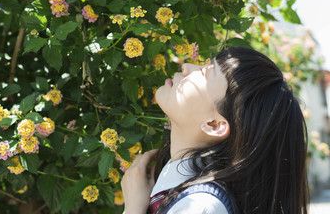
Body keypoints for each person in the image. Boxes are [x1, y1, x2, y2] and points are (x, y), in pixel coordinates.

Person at [121, 47, 309, 214]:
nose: (186, 67)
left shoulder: (200, 207)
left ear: (214, 125)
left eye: (203, 73)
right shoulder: (184, 195)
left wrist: (133, 209)